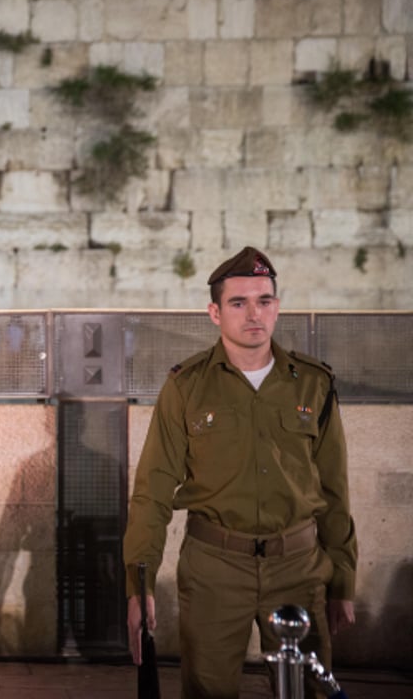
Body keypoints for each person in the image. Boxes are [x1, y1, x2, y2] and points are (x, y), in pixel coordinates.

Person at [123, 246, 357, 698]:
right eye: (238, 302)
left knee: (310, 690)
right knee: (208, 692)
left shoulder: (313, 383)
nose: (254, 313)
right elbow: (152, 490)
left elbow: (334, 489)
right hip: (215, 568)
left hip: (299, 567)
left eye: (264, 300)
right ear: (214, 312)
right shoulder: (186, 387)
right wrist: (140, 584)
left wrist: (342, 581)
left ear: (277, 307)